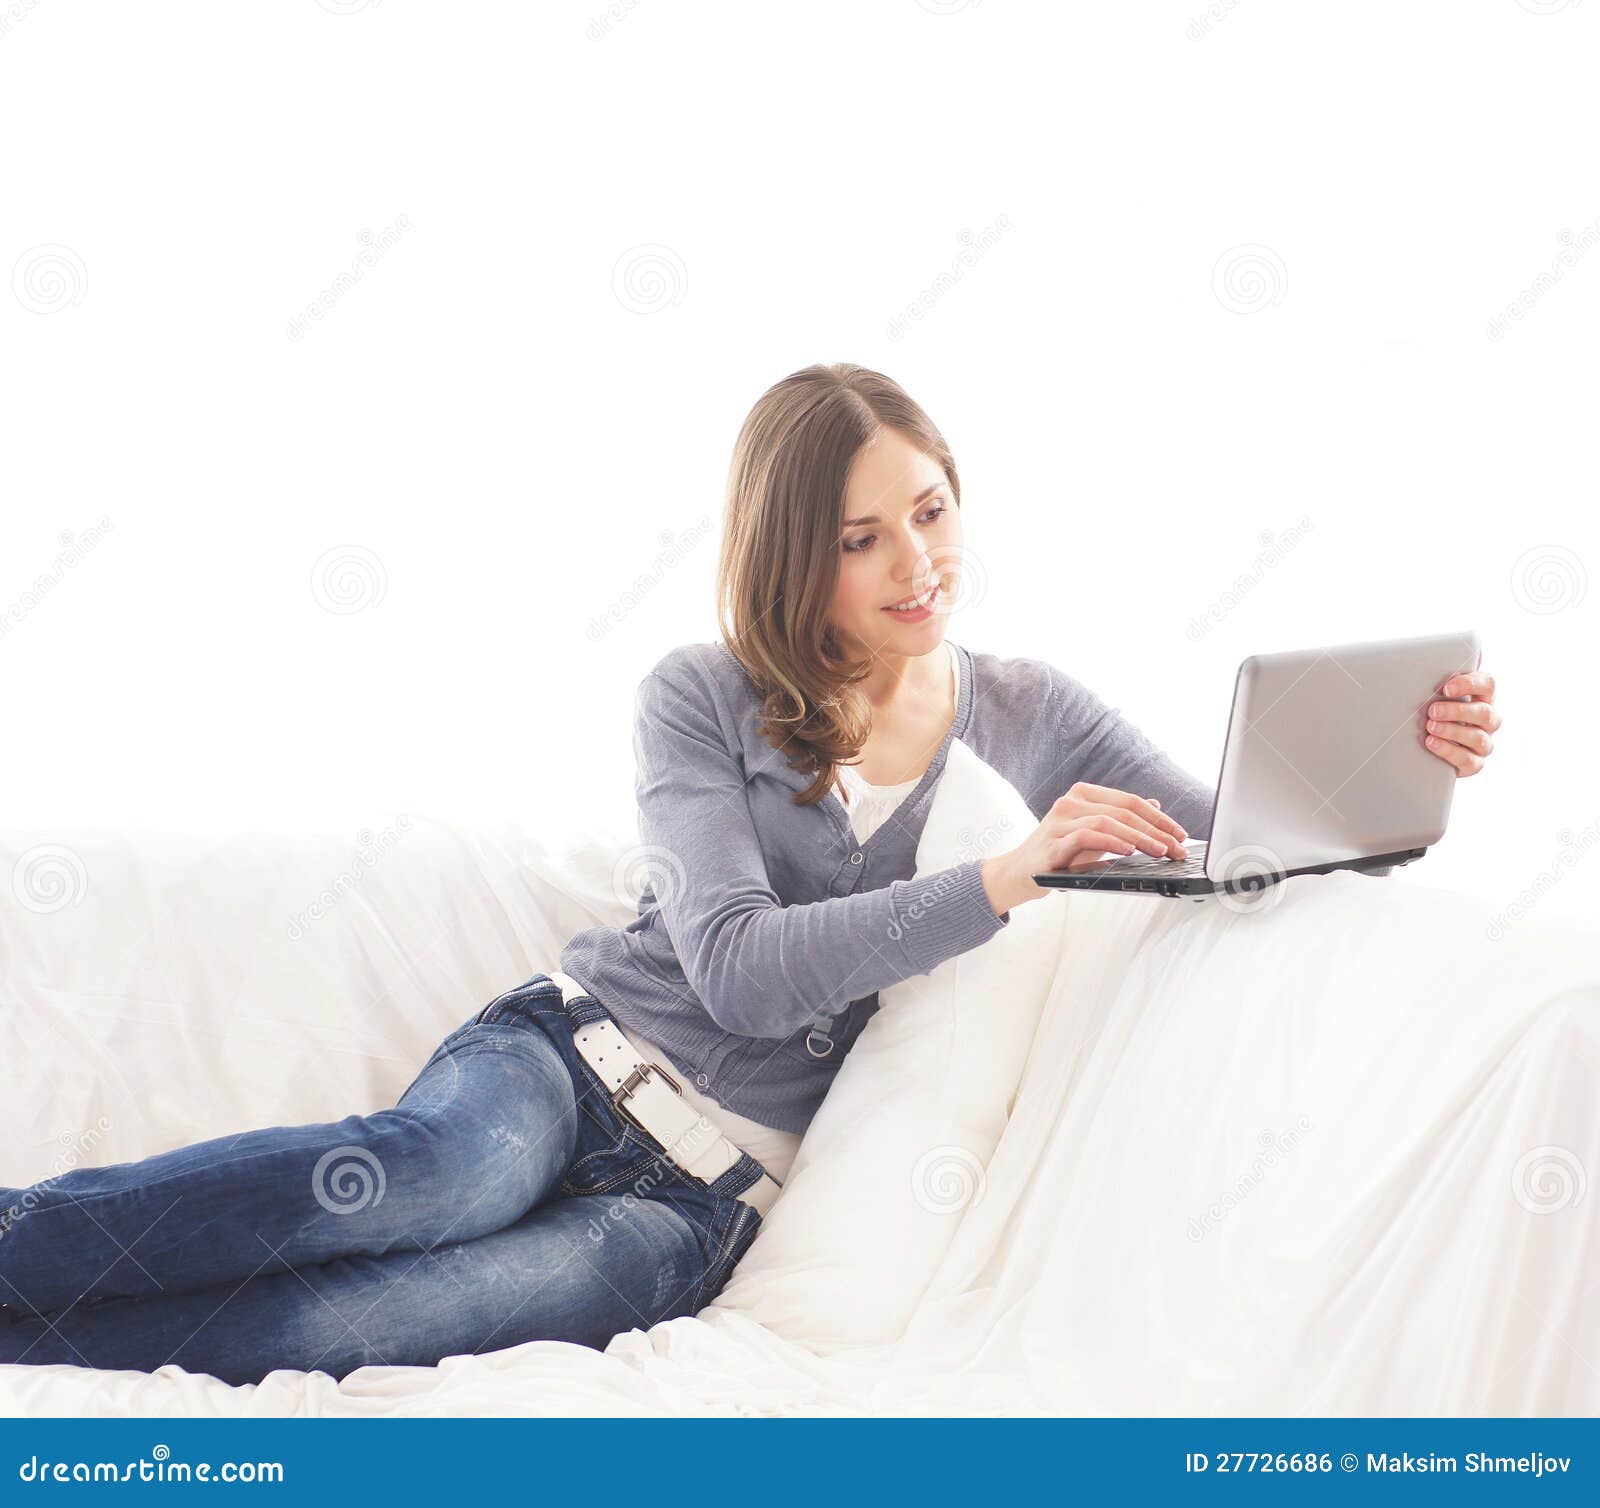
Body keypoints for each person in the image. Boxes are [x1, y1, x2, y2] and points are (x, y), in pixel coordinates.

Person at [0, 364, 1501, 1386]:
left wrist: (1395, 771)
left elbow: (1234, 845)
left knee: (365, 1320)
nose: (918, 561)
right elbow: (731, 962)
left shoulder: (1030, 707)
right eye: (863, 537)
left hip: (702, 1208)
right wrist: (1002, 881)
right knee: (413, 1177)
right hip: (572, 1062)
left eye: (932, 508)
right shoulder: (697, 694)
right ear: (797, 557)